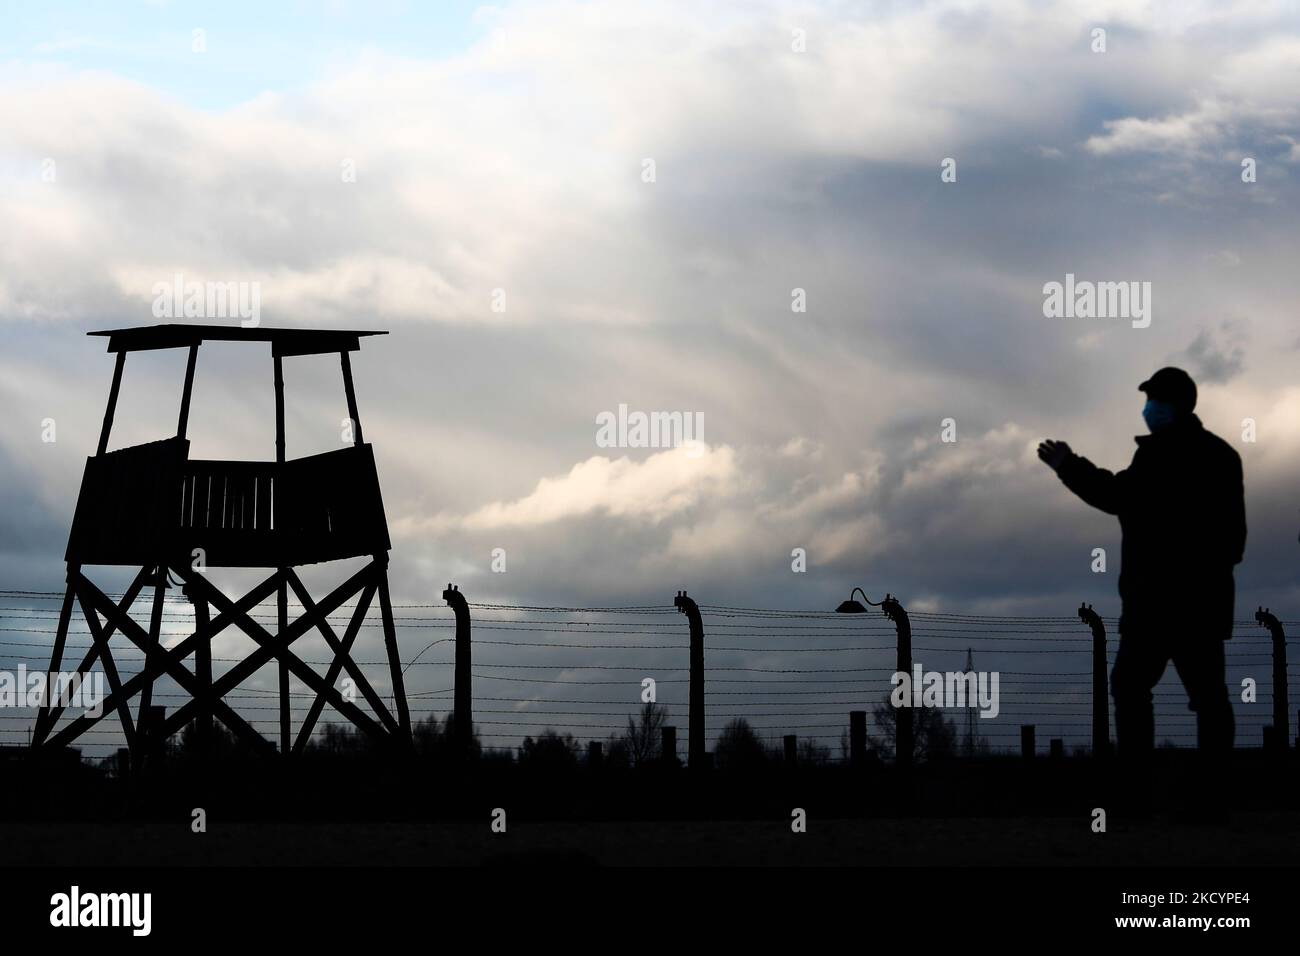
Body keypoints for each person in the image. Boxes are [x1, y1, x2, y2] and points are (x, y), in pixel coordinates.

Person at [1037, 367, 1245, 812]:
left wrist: (1068, 466)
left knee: (1133, 690)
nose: (1148, 409)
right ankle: (1214, 800)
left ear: (1173, 406)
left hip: (1155, 605)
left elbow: (1114, 495)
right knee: (1207, 700)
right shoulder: (1223, 457)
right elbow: (1234, 541)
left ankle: (1136, 796)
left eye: (1154, 400)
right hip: (1200, 607)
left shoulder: (1158, 459)